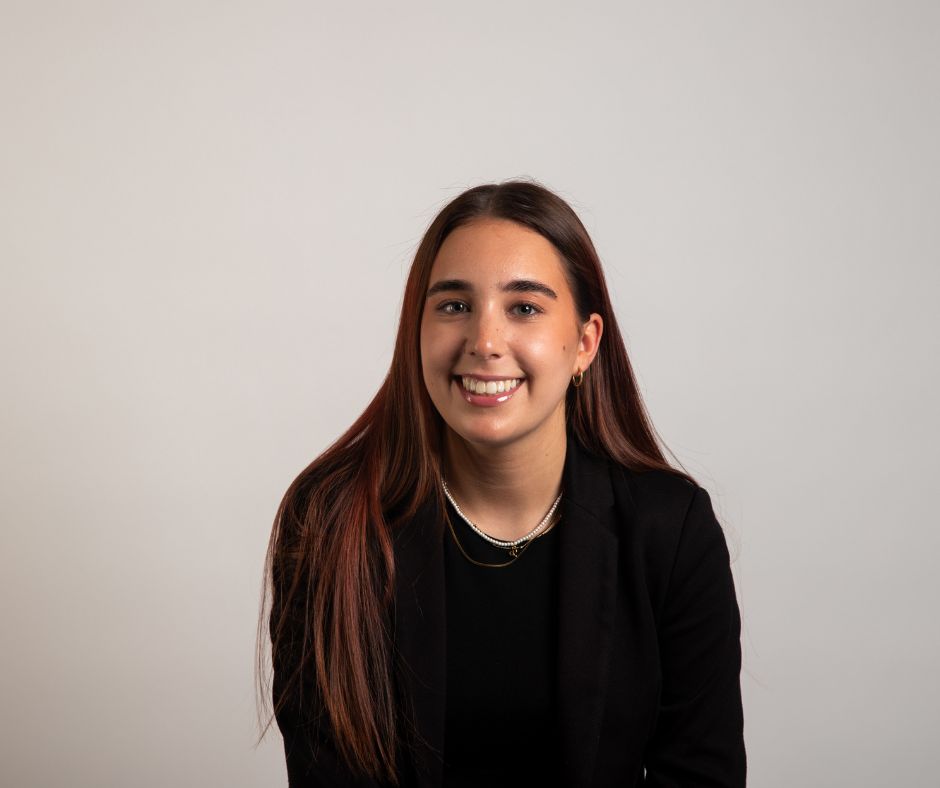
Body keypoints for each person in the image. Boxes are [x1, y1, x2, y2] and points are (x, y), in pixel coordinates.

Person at [261, 181, 746, 787]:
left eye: (524, 308)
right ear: (417, 330)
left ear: (585, 345)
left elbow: (702, 774)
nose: (484, 342)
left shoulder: (670, 531)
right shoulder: (332, 522)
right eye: (454, 306)